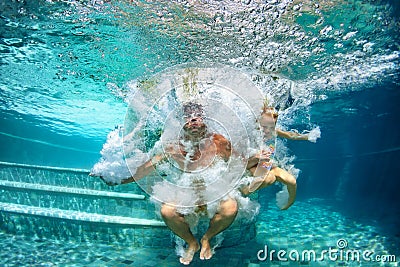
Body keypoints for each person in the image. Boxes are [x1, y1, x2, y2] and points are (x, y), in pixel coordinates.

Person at [116, 103, 240, 265]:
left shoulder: (219, 142)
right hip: (186, 194)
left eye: (198, 115)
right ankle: (192, 242)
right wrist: (117, 180)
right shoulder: (173, 146)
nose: (193, 118)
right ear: (182, 122)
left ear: (205, 120)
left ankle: (206, 238)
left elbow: (241, 161)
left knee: (231, 208)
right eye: (188, 117)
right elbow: (144, 169)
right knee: (167, 211)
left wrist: (263, 166)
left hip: (214, 192)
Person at [241, 105, 319, 209]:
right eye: (264, 127)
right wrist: (256, 158)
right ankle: (244, 192)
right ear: (257, 122)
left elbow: (290, 135)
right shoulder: (248, 135)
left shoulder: (273, 131)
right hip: (251, 165)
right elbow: (239, 165)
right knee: (267, 179)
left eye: (272, 127)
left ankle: (288, 204)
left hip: (265, 164)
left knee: (292, 181)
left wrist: (307, 136)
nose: (268, 131)